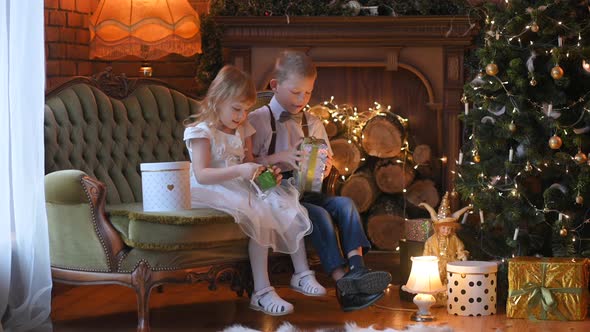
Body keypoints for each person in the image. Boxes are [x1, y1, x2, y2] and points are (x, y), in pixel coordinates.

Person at [248, 50, 392, 312]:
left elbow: (326, 161)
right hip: (279, 194)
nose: (302, 99)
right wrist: (280, 157)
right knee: (321, 216)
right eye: (295, 92)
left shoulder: (311, 122)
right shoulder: (256, 120)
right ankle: (343, 283)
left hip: (307, 188)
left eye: (308, 93)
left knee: (346, 204)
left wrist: (324, 167)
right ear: (275, 86)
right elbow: (247, 164)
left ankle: (358, 271)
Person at [183, 65, 326, 316]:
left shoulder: (242, 128)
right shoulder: (201, 132)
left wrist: (267, 177)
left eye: (246, 110)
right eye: (236, 109)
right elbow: (202, 174)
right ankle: (262, 291)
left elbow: (249, 162)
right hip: (209, 188)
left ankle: (302, 274)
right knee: (258, 211)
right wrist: (242, 171)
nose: (241, 116)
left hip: (240, 183)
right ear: (217, 100)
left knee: (286, 203)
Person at [420, 192, 471, 306]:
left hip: (451, 263)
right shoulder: (431, 240)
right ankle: (436, 299)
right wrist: (426, 263)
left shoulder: (454, 238)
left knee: (452, 281)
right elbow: (426, 253)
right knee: (435, 281)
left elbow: (459, 248)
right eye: (443, 228)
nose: (446, 231)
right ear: (438, 228)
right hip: (436, 265)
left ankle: (452, 298)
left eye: (449, 229)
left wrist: (462, 256)